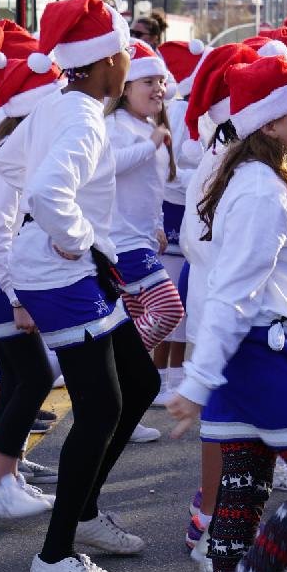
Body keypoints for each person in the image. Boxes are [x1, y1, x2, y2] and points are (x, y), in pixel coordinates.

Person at [0, 0, 160, 572]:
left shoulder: (58, 105)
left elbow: (4, 170)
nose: (130, 60)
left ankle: (82, 511)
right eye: (125, 52)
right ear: (106, 59)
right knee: (103, 406)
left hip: (70, 268)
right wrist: (71, 236)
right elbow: (41, 191)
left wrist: (31, 235)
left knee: (140, 382)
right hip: (61, 273)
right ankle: (56, 555)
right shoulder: (82, 115)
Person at [168, 56, 287, 572]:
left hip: (251, 350)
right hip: (259, 352)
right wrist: (200, 378)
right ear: (269, 123)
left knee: (246, 484)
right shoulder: (261, 190)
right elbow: (232, 291)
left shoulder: (268, 178)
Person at [0, 49, 66, 518]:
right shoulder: (11, 163)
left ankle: (7, 476)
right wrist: (18, 297)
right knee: (36, 374)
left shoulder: (16, 152)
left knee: (24, 373)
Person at [176, 43, 264, 563]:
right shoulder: (229, 150)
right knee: (224, 418)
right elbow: (204, 237)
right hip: (222, 298)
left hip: (228, 297)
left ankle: (218, 517)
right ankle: (209, 522)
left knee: (237, 419)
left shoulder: (241, 145)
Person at [105, 39, 186, 444]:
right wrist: (151, 144)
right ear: (125, 88)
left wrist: (156, 224)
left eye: (160, 80)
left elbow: (151, 188)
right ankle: (114, 364)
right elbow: (111, 167)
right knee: (169, 309)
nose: (158, 88)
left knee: (134, 318)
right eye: (147, 81)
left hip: (139, 238)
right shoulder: (115, 126)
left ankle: (121, 407)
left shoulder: (147, 127)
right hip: (118, 242)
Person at [154, 39, 212, 409]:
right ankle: (160, 377)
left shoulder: (200, 111)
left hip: (194, 212)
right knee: (171, 302)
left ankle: (176, 375)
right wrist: (208, 181)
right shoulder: (175, 112)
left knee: (185, 303)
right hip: (173, 213)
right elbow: (169, 174)